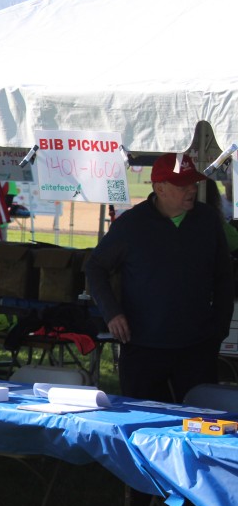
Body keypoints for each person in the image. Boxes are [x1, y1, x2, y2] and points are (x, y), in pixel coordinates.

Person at [85, 152, 234, 403]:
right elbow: (95, 267)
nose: (192, 190)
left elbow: (223, 277)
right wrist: (112, 313)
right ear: (160, 188)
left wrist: (219, 328)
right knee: (143, 417)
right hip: (143, 345)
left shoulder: (207, 220)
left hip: (197, 347)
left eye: (193, 183)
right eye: (183, 185)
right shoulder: (131, 224)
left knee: (199, 418)